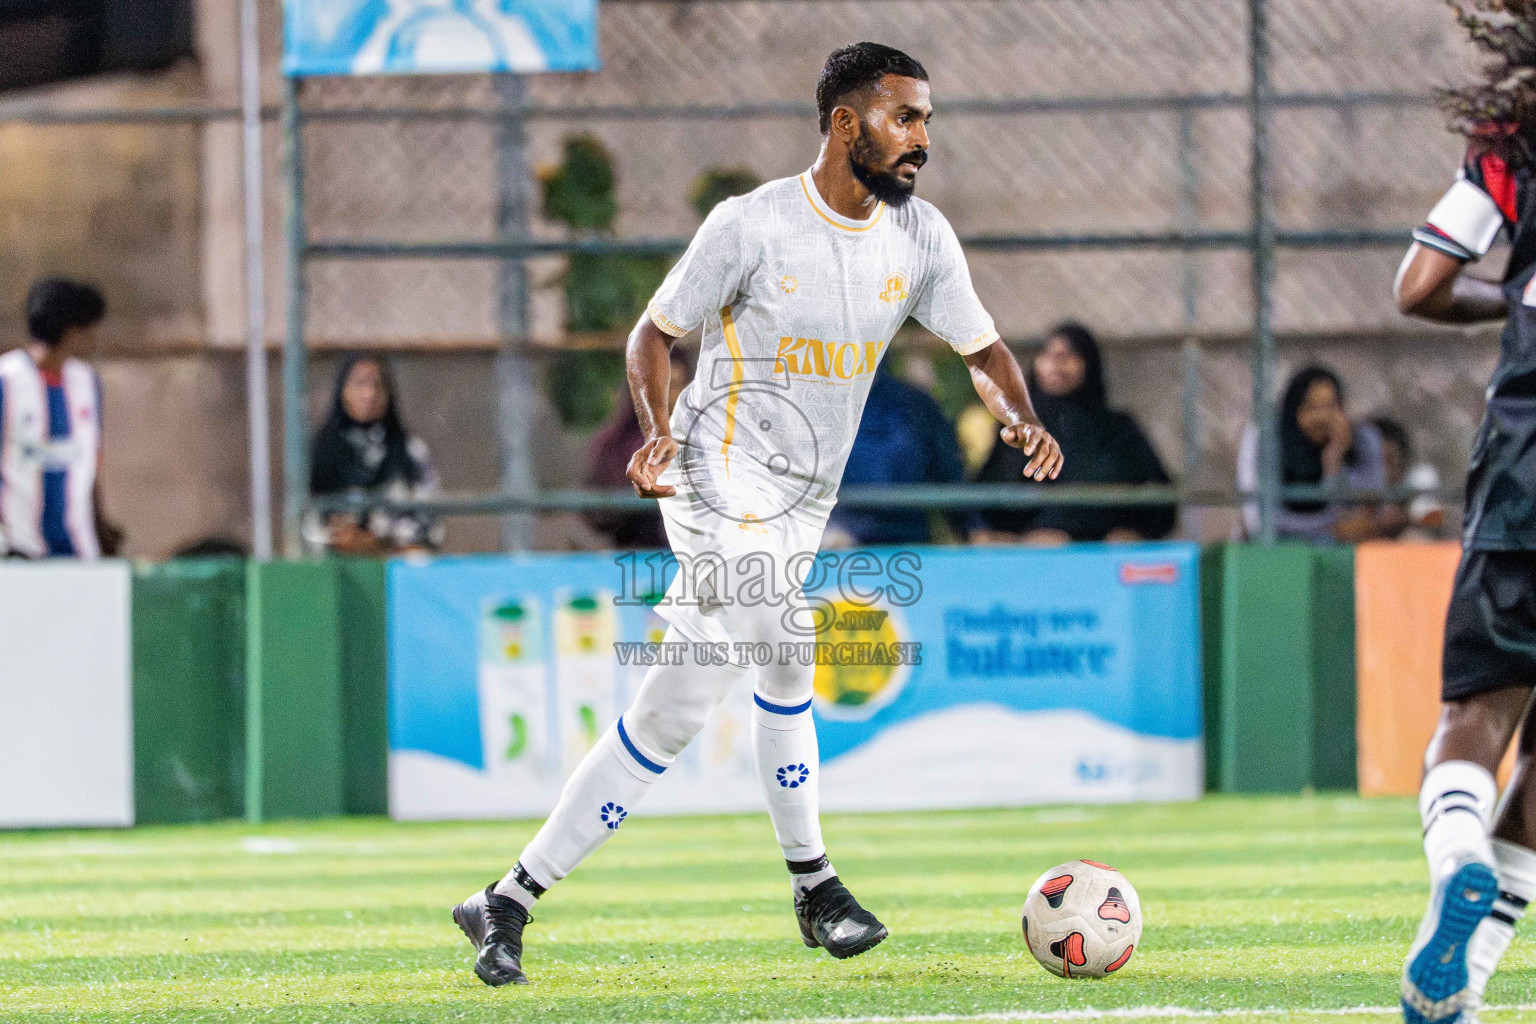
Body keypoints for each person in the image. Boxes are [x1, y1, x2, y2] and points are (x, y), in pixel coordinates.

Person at [451, 42, 1064, 987]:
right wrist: (655, 433)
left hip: (797, 503)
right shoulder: (753, 225)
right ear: (845, 123)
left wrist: (1019, 416)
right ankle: (816, 885)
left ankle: (510, 896)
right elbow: (654, 335)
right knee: (781, 632)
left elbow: (981, 348)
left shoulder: (921, 237)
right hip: (713, 472)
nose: (922, 141)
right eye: (907, 119)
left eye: (928, 121)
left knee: (674, 713)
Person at [1392, 5, 1536, 1018]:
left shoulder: (1511, 147)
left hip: (1530, 464)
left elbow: (1420, 285)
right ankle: (1464, 987)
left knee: (1475, 715)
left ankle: (1455, 862)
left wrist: (1512, 295)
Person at [972, 322, 1174, 544]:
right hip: (1032, 557)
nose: (1056, 364)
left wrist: (1131, 532)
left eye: (1069, 355)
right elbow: (991, 497)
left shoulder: (1116, 429)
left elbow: (1160, 498)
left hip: (1103, 555)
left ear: (1089, 364)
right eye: (1047, 354)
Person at [0, 279, 121, 558]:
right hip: (17, 550)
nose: (94, 338)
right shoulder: (7, 380)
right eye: (88, 329)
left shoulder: (87, 383)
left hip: (79, 550)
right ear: (70, 331)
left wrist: (101, 527)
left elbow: (90, 462)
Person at [1236, 365, 1401, 544]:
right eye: (1311, 407)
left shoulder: (1363, 441)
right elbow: (1262, 521)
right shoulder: (1269, 440)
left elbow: (1368, 514)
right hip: (1282, 548)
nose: (1322, 418)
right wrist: (1331, 528)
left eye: (1331, 406)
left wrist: (1334, 461)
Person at [823, 363, 974, 546]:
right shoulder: (803, 407)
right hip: (832, 550)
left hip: (909, 548)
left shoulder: (915, 405)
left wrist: (974, 529)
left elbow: (949, 476)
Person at [306, 353, 442, 555]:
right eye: (359, 384)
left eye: (377, 385)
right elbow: (308, 521)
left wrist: (374, 544)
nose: (368, 394)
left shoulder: (409, 452)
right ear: (342, 391)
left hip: (395, 563)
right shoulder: (322, 451)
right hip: (335, 566)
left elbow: (428, 524)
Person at [584, 346, 692, 548]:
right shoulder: (615, 445)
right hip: (639, 555)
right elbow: (597, 512)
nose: (669, 396)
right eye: (660, 385)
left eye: (676, 385)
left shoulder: (706, 438)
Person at [1372, 416, 1447, 542]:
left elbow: (1435, 518)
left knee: (1415, 538)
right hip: (1368, 546)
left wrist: (1404, 519)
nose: (1385, 467)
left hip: (1408, 545)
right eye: (1377, 460)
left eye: (1390, 458)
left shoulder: (1420, 475)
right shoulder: (1358, 477)